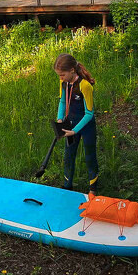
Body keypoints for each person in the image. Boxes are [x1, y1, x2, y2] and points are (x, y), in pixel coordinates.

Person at [54, 53, 98, 192]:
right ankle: (67, 186)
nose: (60, 78)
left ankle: (93, 189)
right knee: (69, 155)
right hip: (70, 125)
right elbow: (62, 101)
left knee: (90, 156)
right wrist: (60, 119)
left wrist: (75, 130)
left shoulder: (85, 86)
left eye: (62, 74)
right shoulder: (63, 82)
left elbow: (89, 114)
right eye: (59, 75)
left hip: (86, 126)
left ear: (72, 70)